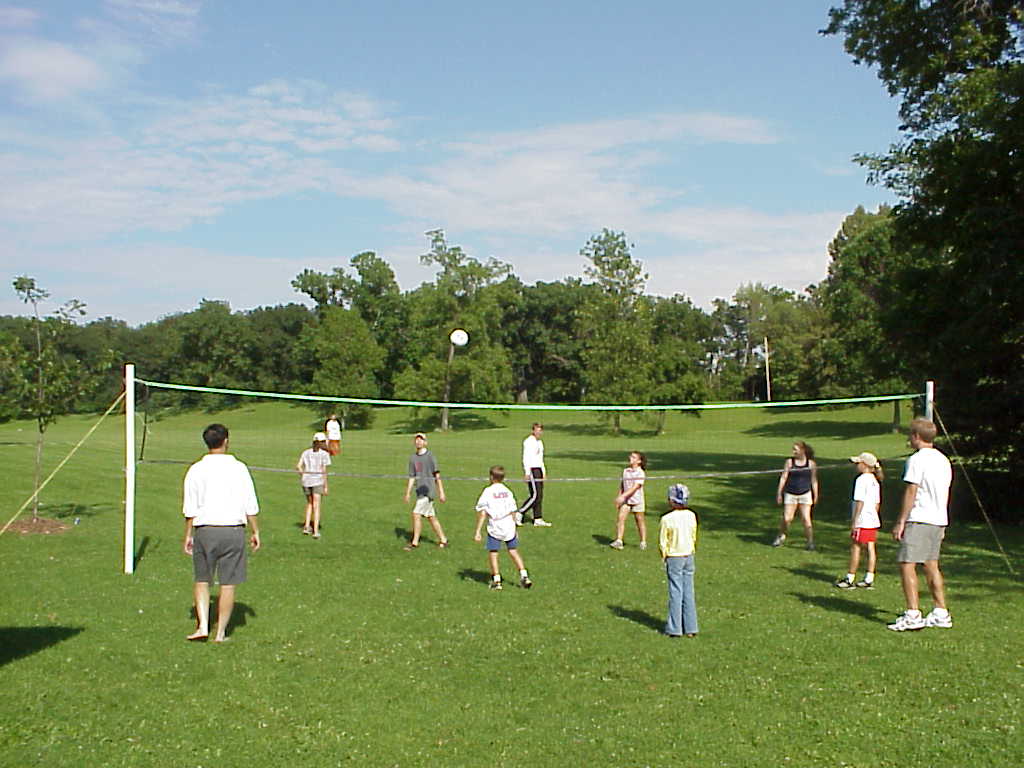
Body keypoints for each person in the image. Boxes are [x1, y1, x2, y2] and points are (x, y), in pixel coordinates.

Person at [182, 423, 260, 643]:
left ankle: (203, 626)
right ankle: (220, 632)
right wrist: (255, 530)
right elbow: (250, 502)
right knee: (228, 582)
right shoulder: (239, 468)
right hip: (232, 530)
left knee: (202, 579)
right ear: (226, 440)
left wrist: (188, 535)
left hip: (205, 529)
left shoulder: (196, 469)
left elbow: (190, 507)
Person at [888, 418, 953, 631]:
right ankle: (941, 612)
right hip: (938, 519)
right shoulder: (943, 460)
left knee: (907, 564)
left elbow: (911, 491)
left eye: (910, 434)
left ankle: (913, 614)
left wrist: (901, 521)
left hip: (920, 518)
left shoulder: (917, 460)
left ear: (916, 436)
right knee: (931, 564)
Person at [473, 465, 533, 590]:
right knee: (513, 550)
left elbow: (482, 512)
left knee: (493, 552)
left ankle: (497, 580)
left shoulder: (488, 492)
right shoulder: (508, 491)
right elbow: (513, 510)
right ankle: (524, 575)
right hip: (508, 525)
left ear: (491, 477)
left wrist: (478, 531)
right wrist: (515, 527)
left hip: (496, 525)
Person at [834, 452, 883, 590]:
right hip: (872, 519)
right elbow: (877, 503)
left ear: (865, 465)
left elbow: (859, 502)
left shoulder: (861, 480)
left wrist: (855, 521)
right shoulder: (875, 481)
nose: (856, 466)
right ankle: (869, 577)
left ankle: (850, 578)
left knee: (856, 548)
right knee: (870, 548)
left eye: (858, 463)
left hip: (862, 520)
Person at [660, 484, 698, 638]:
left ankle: (675, 628)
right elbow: (693, 535)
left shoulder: (666, 519)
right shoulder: (691, 515)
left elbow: (663, 541)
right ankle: (691, 627)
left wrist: (664, 556)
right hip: (689, 554)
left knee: (676, 591)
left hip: (674, 556)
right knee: (688, 590)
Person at [403, 432, 449, 550]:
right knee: (431, 517)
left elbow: (437, 475)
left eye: (421, 439)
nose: (418, 441)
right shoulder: (413, 458)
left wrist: (441, 492)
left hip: (428, 492)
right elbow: (412, 477)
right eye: (417, 439)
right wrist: (408, 493)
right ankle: (443, 539)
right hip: (419, 492)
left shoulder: (430, 456)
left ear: (425, 442)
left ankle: (415, 542)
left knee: (416, 514)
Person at [772, 441, 819, 550]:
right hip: (790, 493)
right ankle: (781, 536)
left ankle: (810, 542)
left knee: (806, 519)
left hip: (805, 494)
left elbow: (814, 480)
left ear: (803, 450)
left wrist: (815, 495)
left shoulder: (811, 464)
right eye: (793, 449)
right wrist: (779, 493)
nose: (793, 452)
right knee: (787, 518)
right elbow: (784, 477)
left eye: (795, 450)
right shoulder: (789, 462)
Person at [610, 451, 647, 550]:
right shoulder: (626, 471)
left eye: (634, 457)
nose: (630, 458)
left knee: (639, 520)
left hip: (637, 500)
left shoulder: (640, 473)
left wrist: (622, 496)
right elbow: (622, 485)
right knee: (620, 518)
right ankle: (619, 541)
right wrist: (619, 497)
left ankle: (643, 541)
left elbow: (635, 487)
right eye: (631, 456)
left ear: (639, 461)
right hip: (626, 500)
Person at [297, 431, 331, 538]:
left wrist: (303, 475)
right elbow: (324, 471)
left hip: (306, 482)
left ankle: (306, 527)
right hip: (317, 481)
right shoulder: (324, 454)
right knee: (316, 506)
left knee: (310, 504)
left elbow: (298, 466)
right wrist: (326, 486)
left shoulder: (305, 453)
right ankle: (315, 531)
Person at [518, 422, 551, 526]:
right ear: (533, 431)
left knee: (540, 495)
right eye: (537, 430)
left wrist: (543, 472)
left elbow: (540, 458)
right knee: (535, 495)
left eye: (540, 431)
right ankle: (520, 512)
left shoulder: (540, 442)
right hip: (532, 469)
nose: (539, 433)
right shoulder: (528, 442)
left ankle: (538, 518)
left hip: (538, 469)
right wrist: (527, 472)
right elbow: (526, 457)